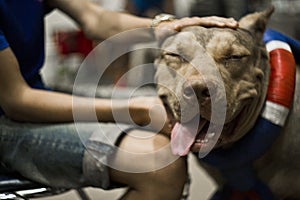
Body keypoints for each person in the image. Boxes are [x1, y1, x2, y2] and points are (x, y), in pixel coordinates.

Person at [0, 0, 238, 199]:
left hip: (36, 94)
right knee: (159, 167)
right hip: (9, 118)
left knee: (167, 108)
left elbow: (96, 19)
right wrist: (137, 110)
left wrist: (171, 26)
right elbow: (17, 100)